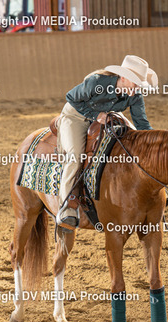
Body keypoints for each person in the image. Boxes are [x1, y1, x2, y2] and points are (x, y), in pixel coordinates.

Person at [56, 55, 158, 230]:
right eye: (135, 83)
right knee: (75, 156)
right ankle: (66, 208)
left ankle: (156, 191)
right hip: (76, 116)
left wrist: (155, 142)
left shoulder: (135, 94)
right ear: (123, 78)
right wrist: (96, 115)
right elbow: (71, 97)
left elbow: (142, 124)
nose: (137, 89)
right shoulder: (96, 82)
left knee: (133, 137)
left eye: (139, 85)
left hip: (106, 116)